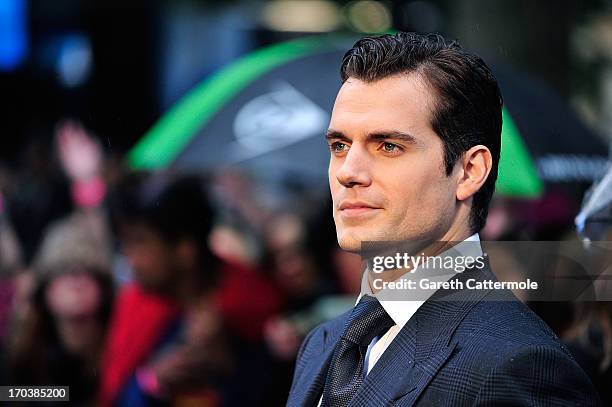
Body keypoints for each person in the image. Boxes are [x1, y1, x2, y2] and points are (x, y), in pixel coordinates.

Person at [286, 32, 601, 406]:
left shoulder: (516, 365)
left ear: (469, 171)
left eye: (389, 146)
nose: (347, 172)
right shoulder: (323, 344)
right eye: (339, 146)